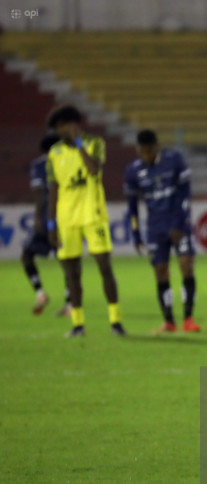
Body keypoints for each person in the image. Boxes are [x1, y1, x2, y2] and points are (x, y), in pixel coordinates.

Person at [46, 105, 126, 337]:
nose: (60, 131)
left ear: (74, 124)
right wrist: (52, 224)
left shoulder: (95, 143)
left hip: (93, 215)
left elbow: (93, 170)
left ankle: (115, 322)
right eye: (58, 128)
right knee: (71, 273)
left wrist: (79, 144)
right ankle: (78, 325)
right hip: (66, 219)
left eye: (62, 126)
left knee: (104, 267)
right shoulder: (54, 153)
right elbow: (54, 190)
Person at [124, 130, 200, 333]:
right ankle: (169, 321)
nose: (145, 155)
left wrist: (179, 224)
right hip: (155, 227)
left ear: (156, 146)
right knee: (160, 271)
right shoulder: (133, 170)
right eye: (141, 152)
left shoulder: (174, 160)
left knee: (186, 265)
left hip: (178, 224)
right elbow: (132, 207)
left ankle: (188, 318)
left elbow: (185, 195)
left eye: (148, 151)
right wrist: (136, 234)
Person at [22, 133, 70, 316]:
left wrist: (36, 217)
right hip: (65, 218)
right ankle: (69, 303)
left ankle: (41, 293)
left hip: (46, 218)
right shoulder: (66, 162)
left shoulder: (39, 165)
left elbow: (40, 193)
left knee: (27, 256)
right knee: (67, 261)